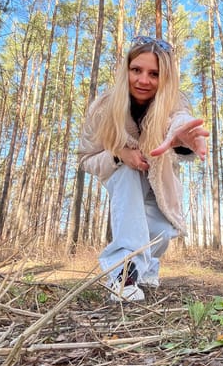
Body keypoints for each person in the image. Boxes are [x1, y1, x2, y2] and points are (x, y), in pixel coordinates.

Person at [78, 36, 209, 302]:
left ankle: (147, 268)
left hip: (159, 179)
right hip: (121, 175)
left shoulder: (175, 102)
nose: (143, 80)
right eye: (136, 70)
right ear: (125, 70)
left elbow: (179, 121)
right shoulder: (102, 109)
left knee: (162, 231)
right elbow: (85, 158)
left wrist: (184, 139)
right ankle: (123, 275)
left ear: (165, 78)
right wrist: (119, 155)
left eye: (154, 74)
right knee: (128, 183)